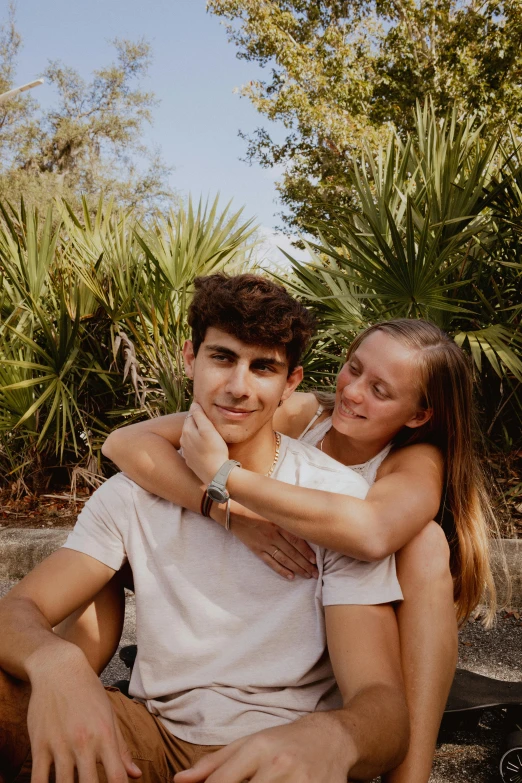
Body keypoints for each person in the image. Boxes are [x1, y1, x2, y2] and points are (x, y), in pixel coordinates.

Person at [0, 274, 409, 783]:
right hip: (150, 739)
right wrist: (56, 663)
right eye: (222, 358)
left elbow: (384, 707)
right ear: (190, 358)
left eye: (263, 367)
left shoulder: (330, 501)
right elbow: (17, 611)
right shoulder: (133, 493)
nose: (238, 387)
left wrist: (331, 737)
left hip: (279, 750)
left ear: (292, 383)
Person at [94, 306, 500, 783]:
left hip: (355, 616)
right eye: (355, 367)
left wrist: (227, 478)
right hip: (257, 594)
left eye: (380, 390)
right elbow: (122, 444)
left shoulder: (415, 461)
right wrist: (226, 512)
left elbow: (372, 533)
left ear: (419, 414)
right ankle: (74, 679)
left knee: (425, 543)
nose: (351, 391)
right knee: (111, 532)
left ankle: (411, 773)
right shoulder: (307, 412)